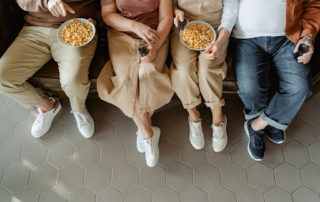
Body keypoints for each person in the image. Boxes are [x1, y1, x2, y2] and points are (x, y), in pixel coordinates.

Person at [231, 0, 320, 161]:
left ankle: (257, 125)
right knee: (250, 88)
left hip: (288, 37)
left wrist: (308, 36)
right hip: (246, 39)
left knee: (300, 88)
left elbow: (314, 4)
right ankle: (273, 121)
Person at [0, 0, 98, 139]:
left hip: (77, 26)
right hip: (36, 28)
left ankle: (79, 108)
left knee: (73, 80)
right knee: (2, 77)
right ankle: (48, 106)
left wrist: (97, 21)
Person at [97, 0, 174, 167]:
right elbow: (108, 15)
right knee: (126, 80)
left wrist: (155, 46)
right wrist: (134, 26)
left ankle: (142, 124)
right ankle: (148, 133)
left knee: (148, 75)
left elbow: (167, 17)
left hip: (155, 34)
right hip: (122, 34)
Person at [170, 0, 238, 151]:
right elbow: (171, 2)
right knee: (183, 71)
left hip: (215, 25)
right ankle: (193, 115)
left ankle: (218, 117)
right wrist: (176, 12)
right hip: (185, 24)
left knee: (208, 69)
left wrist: (220, 41)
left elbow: (231, 8)